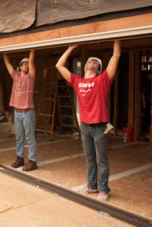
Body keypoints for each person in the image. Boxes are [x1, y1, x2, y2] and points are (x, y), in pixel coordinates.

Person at [56, 40, 121, 201]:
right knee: (90, 158)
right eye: (90, 61)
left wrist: (116, 37)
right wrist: (70, 47)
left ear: (98, 70)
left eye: (96, 62)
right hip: (85, 127)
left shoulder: (102, 81)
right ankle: (92, 185)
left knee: (101, 160)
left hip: (101, 128)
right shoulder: (77, 82)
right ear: (85, 67)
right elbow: (59, 65)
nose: (92, 62)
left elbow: (116, 55)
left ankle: (104, 189)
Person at [3, 50, 37, 171]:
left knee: (30, 137)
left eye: (28, 64)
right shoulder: (16, 77)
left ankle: (32, 161)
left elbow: (32, 61)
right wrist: (3, 54)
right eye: (25, 64)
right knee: (19, 137)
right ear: (20, 66)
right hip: (17, 113)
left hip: (28, 112)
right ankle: (20, 159)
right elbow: (7, 64)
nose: (27, 65)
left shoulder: (30, 78)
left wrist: (32, 50)